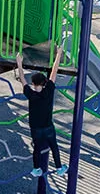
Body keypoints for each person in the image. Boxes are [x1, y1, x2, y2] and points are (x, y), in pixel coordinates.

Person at [16, 46, 67, 177]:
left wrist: (19, 63)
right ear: (44, 83)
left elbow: (22, 79)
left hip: (36, 128)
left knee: (37, 149)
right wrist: (58, 54)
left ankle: (36, 169)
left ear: (33, 83)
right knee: (54, 147)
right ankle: (59, 167)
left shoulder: (30, 94)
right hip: (48, 126)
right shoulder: (49, 90)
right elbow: (54, 72)